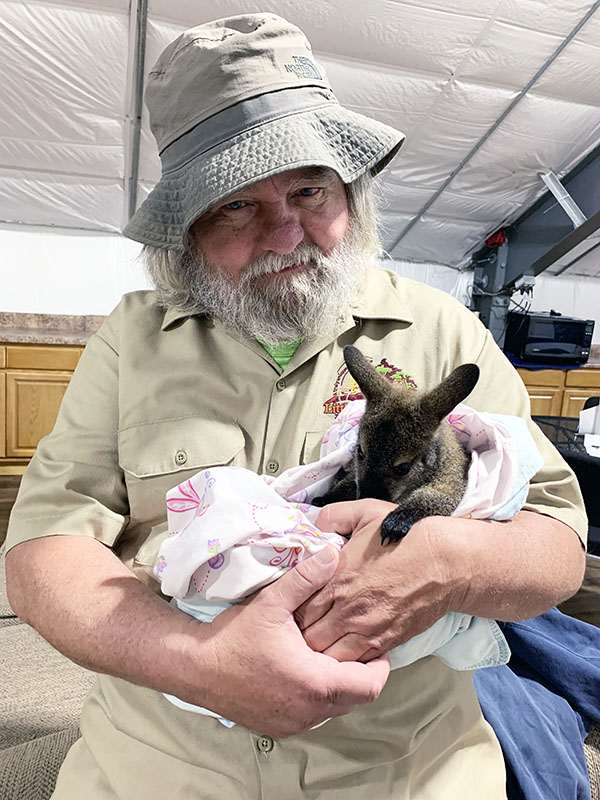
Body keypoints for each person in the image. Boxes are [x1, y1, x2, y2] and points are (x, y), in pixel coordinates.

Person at [5, 13, 587, 800]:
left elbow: (555, 545)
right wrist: (197, 664)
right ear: (185, 233)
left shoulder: (448, 330)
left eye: (309, 188)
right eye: (237, 206)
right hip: (158, 772)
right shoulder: (131, 339)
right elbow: (43, 554)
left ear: (350, 189)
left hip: (410, 773)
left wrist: (446, 566)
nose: (287, 233)